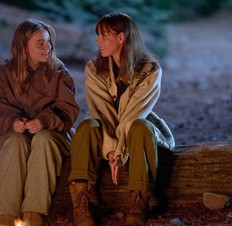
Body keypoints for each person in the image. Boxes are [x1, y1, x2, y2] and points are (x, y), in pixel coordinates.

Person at [68, 12, 175, 226]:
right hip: (104, 132)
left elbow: (134, 114)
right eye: (98, 35)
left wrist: (119, 151)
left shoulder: (150, 70)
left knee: (141, 126)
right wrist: (110, 149)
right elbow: (101, 112)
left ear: (121, 37)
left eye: (104, 35)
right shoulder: (93, 69)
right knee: (88, 125)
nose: (98, 41)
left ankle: (140, 201)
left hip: (135, 134)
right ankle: (81, 202)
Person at [0, 19, 80, 226]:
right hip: (13, 133)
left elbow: (69, 110)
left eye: (48, 42)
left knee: (43, 140)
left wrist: (45, 120)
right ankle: (5, 215)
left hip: (53, 132)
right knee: (15, 142)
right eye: (40, 43)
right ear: (23, 46)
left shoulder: (58, 73)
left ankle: (33, 214)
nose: (48, 48)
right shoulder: (3, 74)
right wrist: (12, 121)